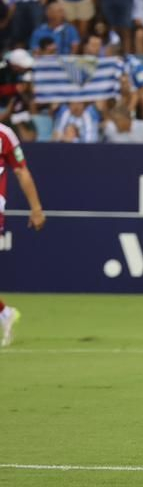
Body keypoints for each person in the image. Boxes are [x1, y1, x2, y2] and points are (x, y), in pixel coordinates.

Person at [0, 117, 46, 348]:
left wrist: (36, 208)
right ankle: (5, 313)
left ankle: (5, 313)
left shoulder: (5, 135)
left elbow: (21, 171)